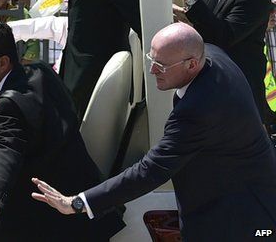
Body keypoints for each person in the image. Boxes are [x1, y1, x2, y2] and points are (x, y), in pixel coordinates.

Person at [32, 23, 276, 242]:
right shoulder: (211, 54)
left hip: (241, 220)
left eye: (161, 65)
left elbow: (150, 170)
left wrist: (78, 203)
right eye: (151, 59)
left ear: (192, 64)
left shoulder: (200, 108)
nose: (152, 70)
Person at [0, 21, 123, 241]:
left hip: (44, 228)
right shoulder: (42, 73)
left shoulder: (7, 106)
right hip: (82, 221)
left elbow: (4, 152)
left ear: (2, 63)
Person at [171, 0, 274, 130]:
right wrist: (186, 17)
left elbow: (224, 37)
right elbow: (207, 24)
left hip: (235, 95)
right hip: (207, 89)